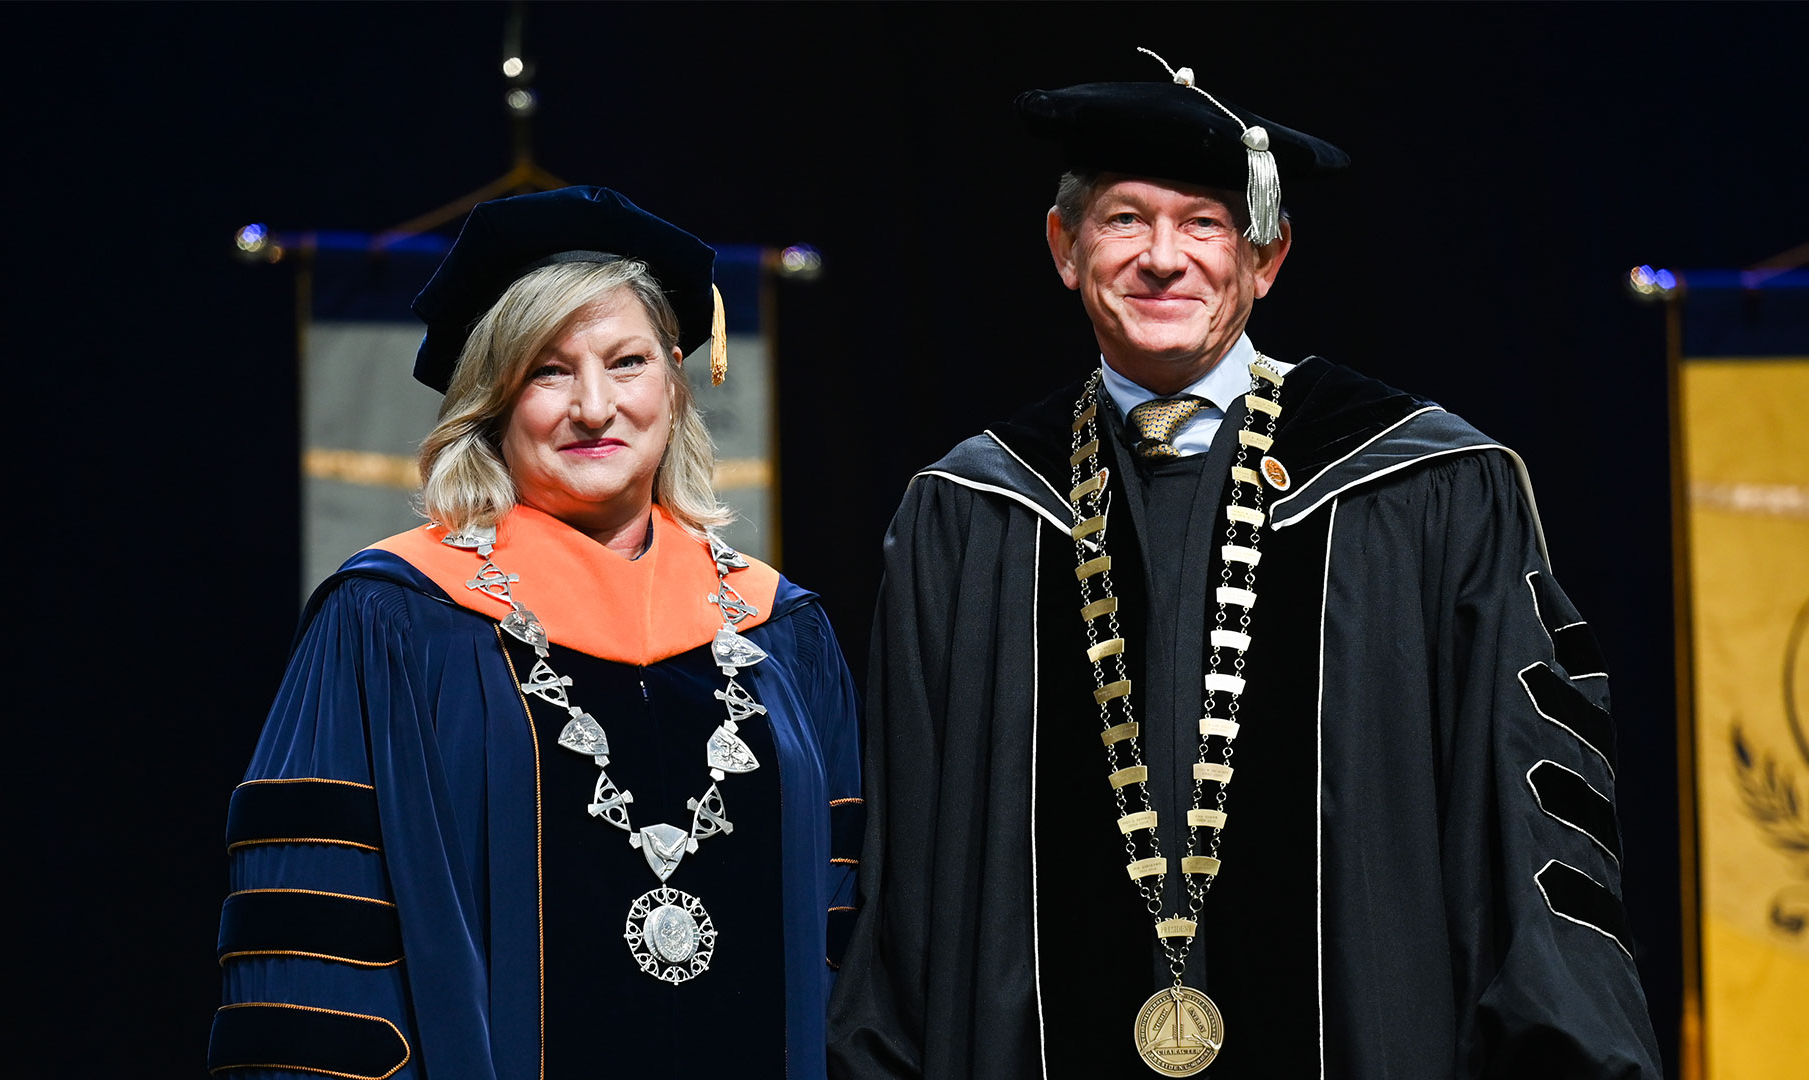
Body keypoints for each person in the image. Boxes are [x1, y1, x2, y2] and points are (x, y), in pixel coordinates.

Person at [828, 61, 1662, 1079]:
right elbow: (912, 876)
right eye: (1125, 220)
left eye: (1206, 225)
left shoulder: (1430, 490)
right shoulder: (970, 514)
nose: (1163, 259)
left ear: (1266, 257)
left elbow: (1534, 834)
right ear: (1064, 247)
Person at [206, 186, 862, 1080]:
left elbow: (844, 935)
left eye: (627, 362)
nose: (595, 408)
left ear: (675, 383)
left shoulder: (782, 634)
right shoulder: (394, 618)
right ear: (492, 400)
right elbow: (318, 950)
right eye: (548, 372)